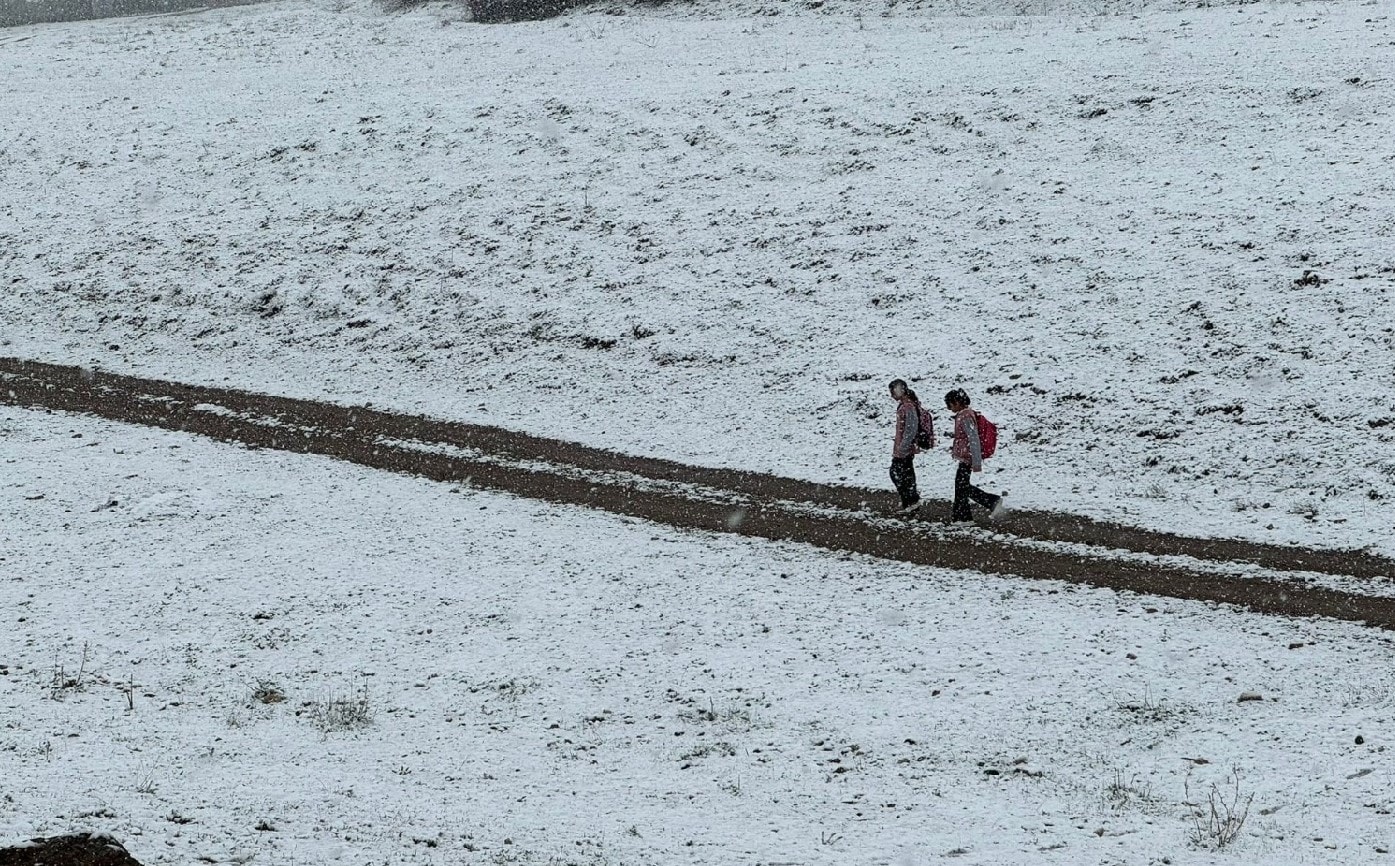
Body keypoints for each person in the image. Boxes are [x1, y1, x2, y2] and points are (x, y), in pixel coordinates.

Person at [945, 388, 1005, 524]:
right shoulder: (965, 414)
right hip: (966, 456)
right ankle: (962, 516)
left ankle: (990, 503)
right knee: (961, 486)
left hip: (967, 457)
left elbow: (973, 438)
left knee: (962, 486)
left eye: (950, 405)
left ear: (957, 402)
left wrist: (976, 462)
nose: (949, 408)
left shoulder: (965, 416)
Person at [888, 379, 926, 514]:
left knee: (897, 473)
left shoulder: (908, 406)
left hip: (904, 449)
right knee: (906, 474)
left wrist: (903, 447)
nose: (892, 395)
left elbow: (910, 429)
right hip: (904, 447)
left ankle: (910, 501)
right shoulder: (906, 405)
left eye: (893, 391)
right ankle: (910, 502)